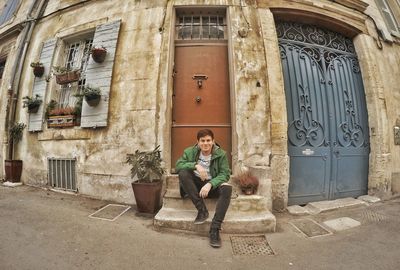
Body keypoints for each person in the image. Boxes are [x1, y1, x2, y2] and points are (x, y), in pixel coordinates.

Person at [176, 129, 232, 248]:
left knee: (227, 188)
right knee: (183, 173)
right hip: (195, 186)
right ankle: (202, 210)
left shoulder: (221, 154)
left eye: (208, 140)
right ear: (198, 142)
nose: (205, 143)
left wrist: (210, 183)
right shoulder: (190, 151)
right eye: (202, 141)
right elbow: (178, 165)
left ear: (213, 141)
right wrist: (195, 165)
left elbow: (225, 174)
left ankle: (215, 229)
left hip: (211, 186)